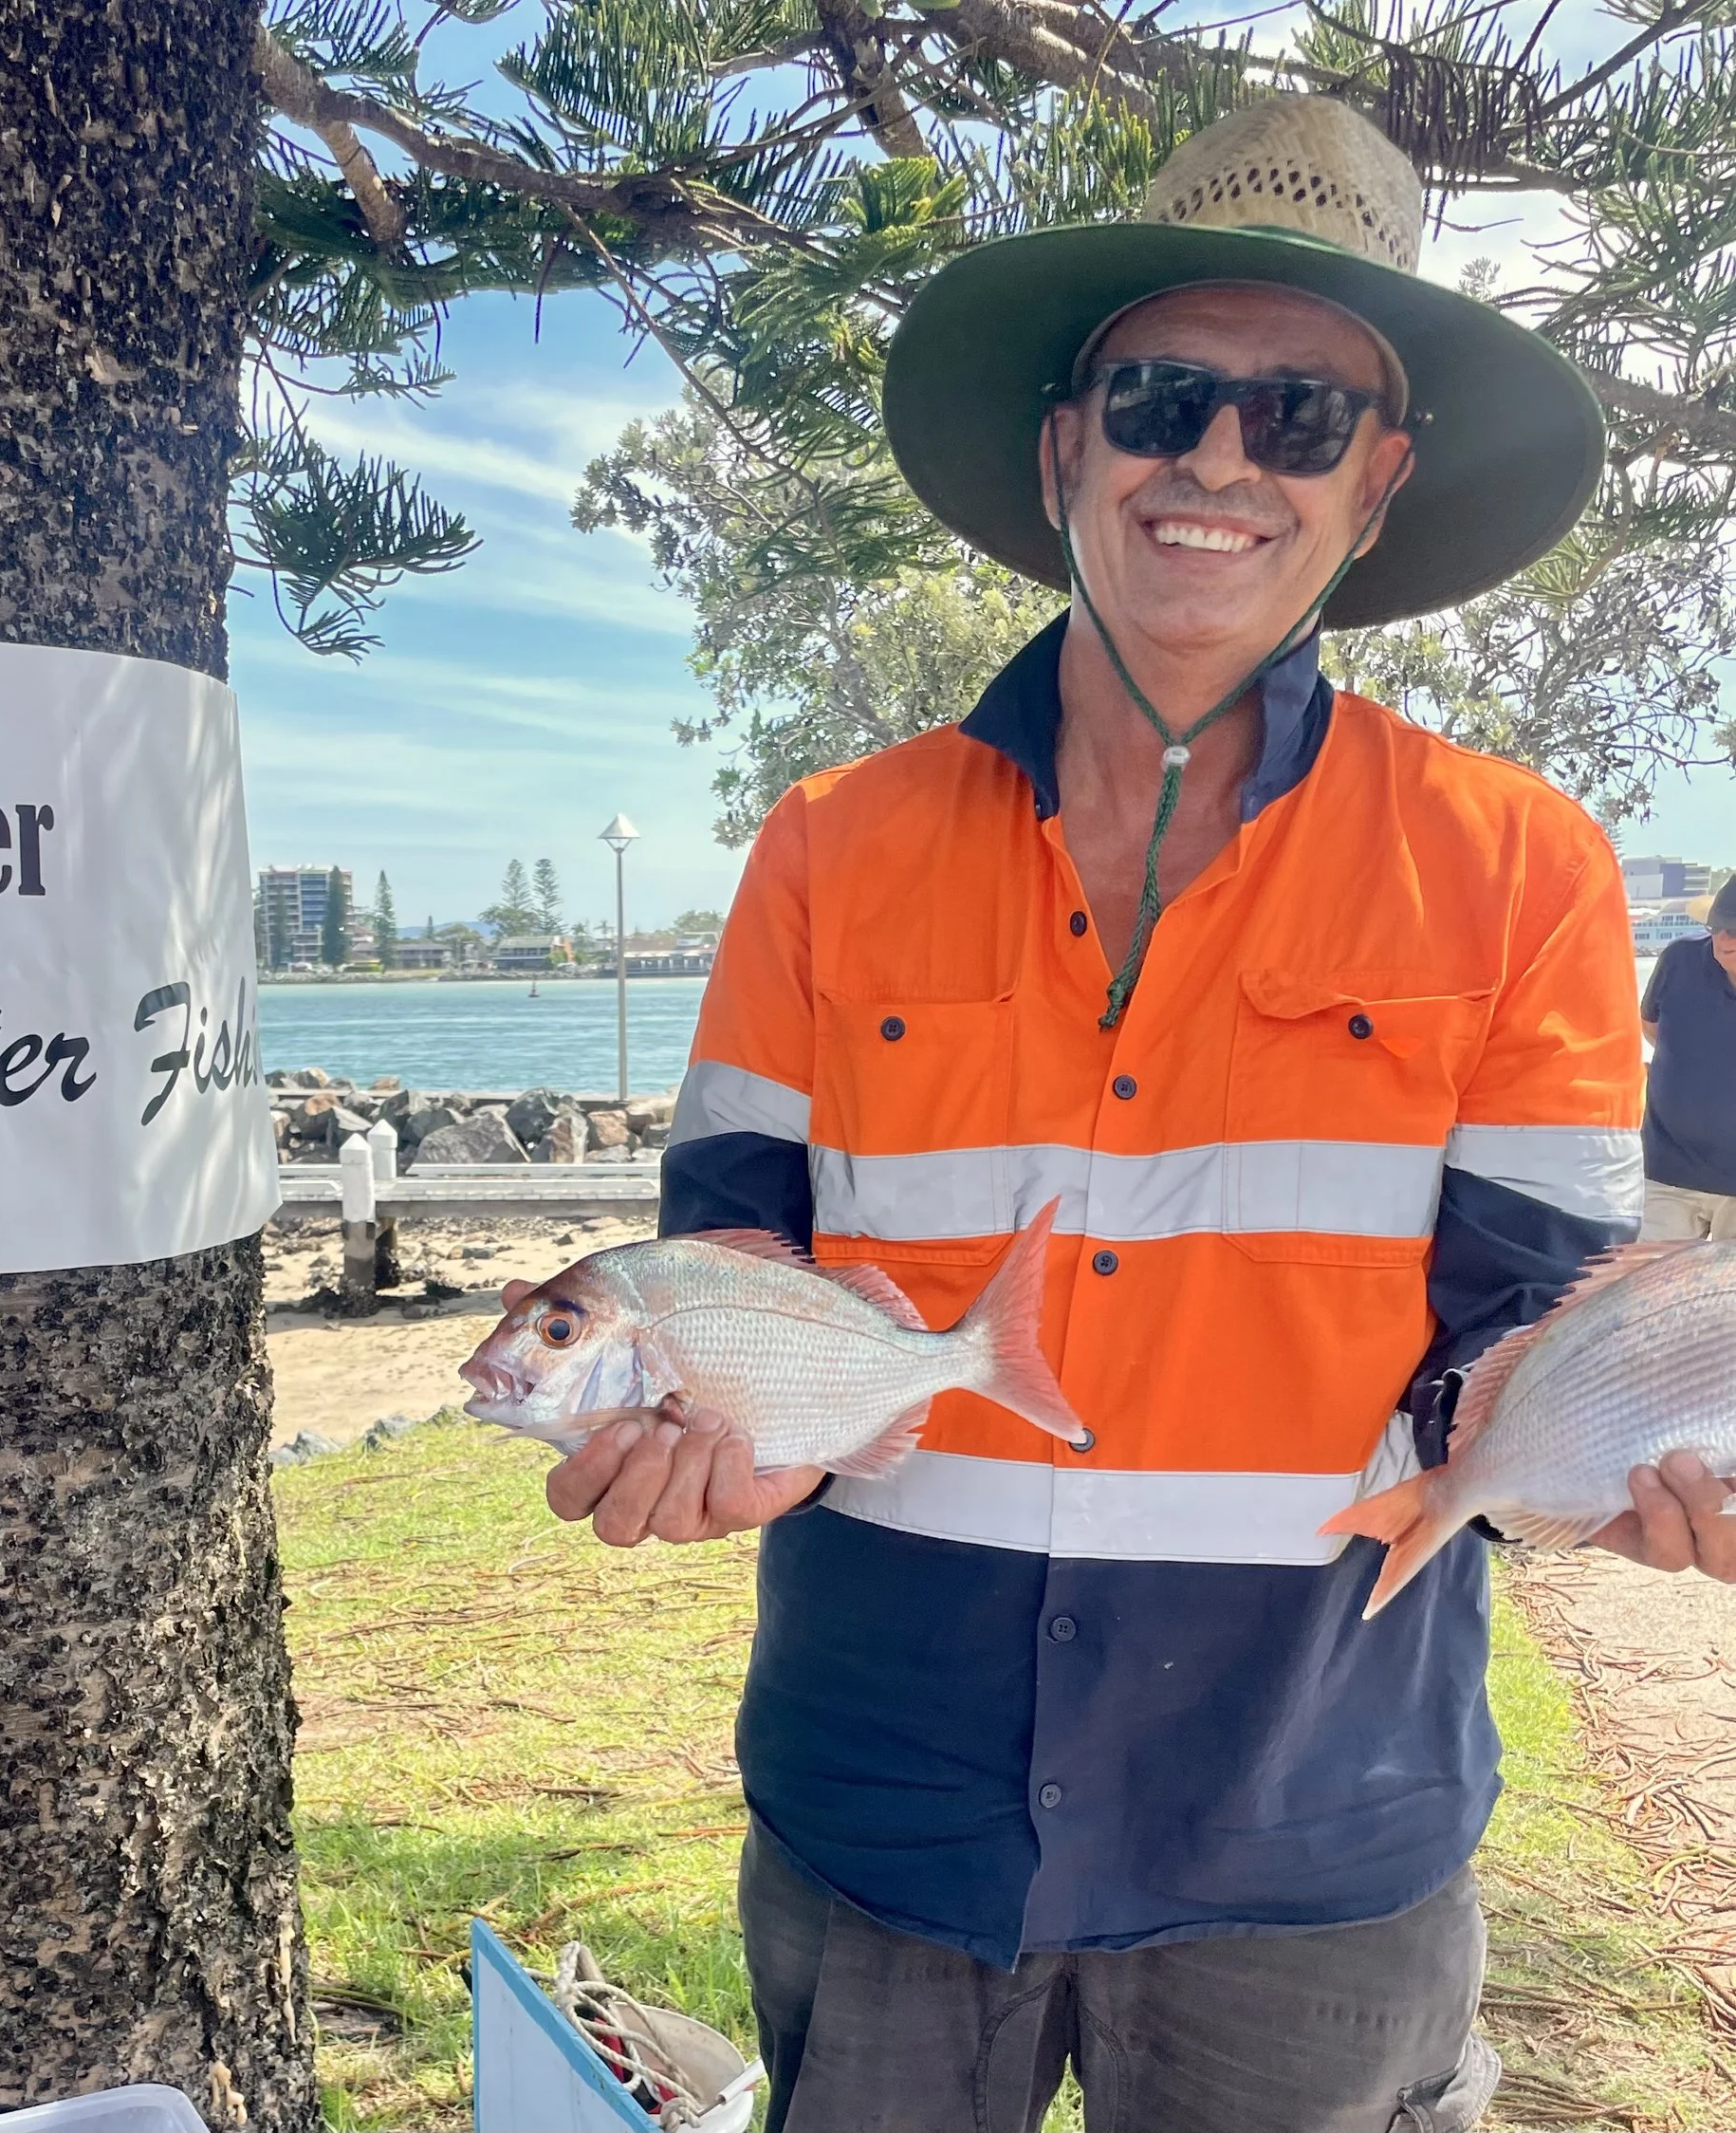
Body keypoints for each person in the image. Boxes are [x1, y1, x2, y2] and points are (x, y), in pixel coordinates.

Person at [524, 98, 1736, 2133]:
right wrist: (712, 1448)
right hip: (881, 1800)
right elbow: (729, 1274)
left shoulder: (1520, 862)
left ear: (1376, 484)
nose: (1217, 460)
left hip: (1311, 1818)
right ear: (1062, 446)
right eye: (1163, 396)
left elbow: (1510, 1330)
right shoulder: (828, 845)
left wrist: (1621, 1446)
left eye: (1299, 416)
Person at [1639, 878, 1736, 1240]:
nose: (1723, 940)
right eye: (1716, 928)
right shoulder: (1679, 959)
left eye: (1734, 930)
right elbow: (1651, 1027)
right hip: (1667, 1171)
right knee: (1645, 1289)